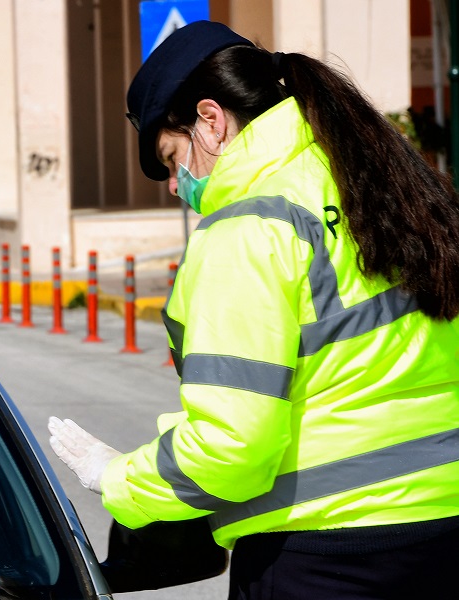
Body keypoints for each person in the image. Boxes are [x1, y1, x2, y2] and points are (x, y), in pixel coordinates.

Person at [48, 20, 459, 599]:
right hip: (441, 535)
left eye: (171, 158)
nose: (174, 186)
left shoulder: (250, 226)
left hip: (324, 555)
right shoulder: (375, 183)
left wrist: (117, 479)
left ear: (211, 121)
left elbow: (232, 445)